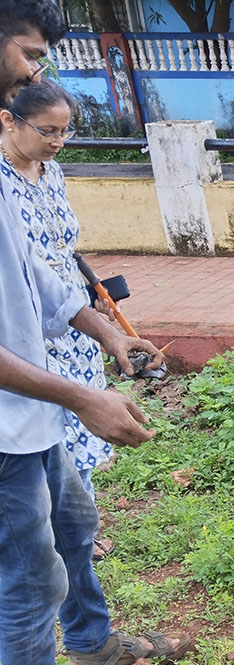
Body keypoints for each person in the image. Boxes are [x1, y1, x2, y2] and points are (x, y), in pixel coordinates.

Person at [0, 0, 191, 665]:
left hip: (34, 409)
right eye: (27, 55)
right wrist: (83, 397)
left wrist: (110, 334)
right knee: (26, 578)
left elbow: (38, 283)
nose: (33, 74)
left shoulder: (19, 179)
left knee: (75, 524)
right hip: (10, 422)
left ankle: (94, 647)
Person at [0, 81, 114, 559]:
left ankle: (77, 528)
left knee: (82, 422)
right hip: (28, 326)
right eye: (47, 131)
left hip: (73, 317)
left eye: (64, 132)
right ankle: (55, 533)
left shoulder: (51, 171)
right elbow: (27, 268)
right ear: (8, 120)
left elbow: (64, 247)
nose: (56, 141)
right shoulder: (3, 183)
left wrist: (93, 300)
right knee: (46, 431)